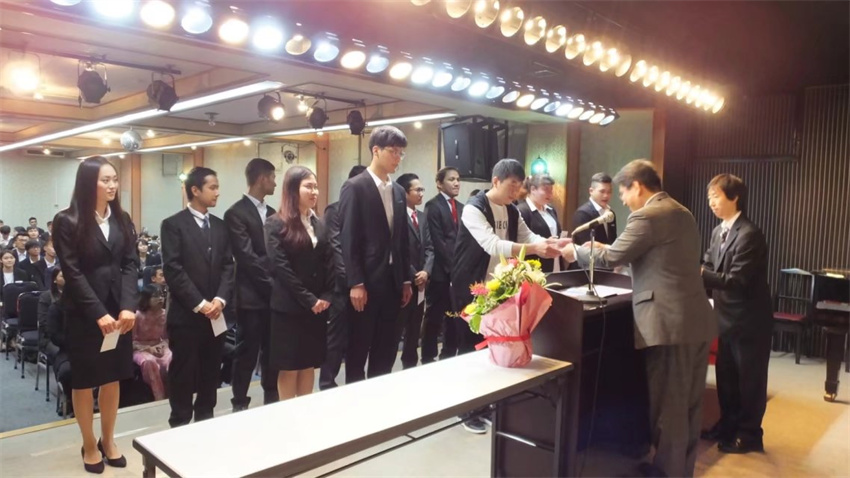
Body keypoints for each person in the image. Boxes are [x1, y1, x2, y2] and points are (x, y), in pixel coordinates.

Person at [564, 159, 716, 478]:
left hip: (668, 325)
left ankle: (667, 472)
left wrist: (574, 252)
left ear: (637, 185)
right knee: (689, 406)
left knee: (670, 409)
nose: (621, 199)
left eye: (623, 191)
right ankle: (681, 470)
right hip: (694, 320)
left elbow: (613, 257)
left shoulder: (647, 215)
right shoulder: (680, 211)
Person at [452, 159, 563, 434]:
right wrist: (535, 249)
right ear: (496, 181)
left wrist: (549, 244)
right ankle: (466, 410)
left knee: (495, 348)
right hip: (472, 286)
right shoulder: (474, 208)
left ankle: (485, 405)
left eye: (519, 186)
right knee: (470, 349)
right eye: (512, 185)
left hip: (500, 287)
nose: (516, 191)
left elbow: (528, 236)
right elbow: (492, 245)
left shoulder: (512, 210)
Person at [53, 156, 139, 473]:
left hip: (119, 313)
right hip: (84, 314)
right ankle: (89, 443)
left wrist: (127, 305)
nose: (112, 185)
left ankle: (108, 439)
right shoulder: (67, 220)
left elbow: (131, 264)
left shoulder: (122, 218)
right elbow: (72, 273)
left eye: (114, 179)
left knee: (112, 377)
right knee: (85, 380)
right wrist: (98, 313)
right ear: (89, 183)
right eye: (105, 180)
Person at [700, 174, 772, 454]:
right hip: (725, 317)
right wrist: (699, 271)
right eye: (710, 197)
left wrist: (700, 273)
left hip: (749, 320)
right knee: (726, 378)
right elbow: (709, 264)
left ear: (735, 197)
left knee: (749, 381)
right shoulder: (718, 231)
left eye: (716, 196)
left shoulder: (749, 233)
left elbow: (737, 280)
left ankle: (750, 433)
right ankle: (728, 425)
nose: (711, 202)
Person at [161, 167, 234, 428]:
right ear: (195, 190)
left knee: (211, 372)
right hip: (187, 315)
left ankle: (205, 421)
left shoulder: (221, 226)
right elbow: (173, 270)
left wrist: (220, 300)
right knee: (183, 373)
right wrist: (201, 304)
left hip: (216, 314)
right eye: (212, 187)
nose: (217, 192)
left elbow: (228, 266)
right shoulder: (173, 225)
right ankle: (179, 424)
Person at [339, 125, 413, 383]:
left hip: (393, 282)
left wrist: (406, 279)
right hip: (366, 283)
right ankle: (354, 398)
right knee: (359, 347)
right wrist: (355, 282)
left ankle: (379, 396)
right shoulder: (355, 187)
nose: (398, 158)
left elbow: (402, 239)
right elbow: (348, 239)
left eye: (401, 153)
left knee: (387, 347)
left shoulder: (399, 191)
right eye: (393, 151)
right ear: (376, 150)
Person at [266, 166, 334, 399]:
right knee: (290, 365)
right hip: (290, 306)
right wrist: (309, 299)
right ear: (293, 189)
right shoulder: (275, 223)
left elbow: (329, 262)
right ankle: (288, 413)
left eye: (316, 187)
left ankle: (306, 410)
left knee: (308, 363)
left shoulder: (320, 223)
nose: (314, 192)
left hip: (317, 307)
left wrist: (326, 296)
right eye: (308, 186)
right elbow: (281, 269)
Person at [225, 158, 279, 410]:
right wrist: (272, 285)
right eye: (273, 178)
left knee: (272, 350)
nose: (275, 183)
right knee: (247, 351)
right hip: (250, 294)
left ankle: (272, 396)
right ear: (262, 179)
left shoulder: (272, 212)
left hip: (274, 294)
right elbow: (246, 257)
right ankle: (239, 402)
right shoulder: (235, 213)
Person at [318, 164, 367, 390]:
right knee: (336, 340)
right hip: (341, 286)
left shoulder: (369, 212)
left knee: (359, 338)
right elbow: (336, 248)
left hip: (365, 285)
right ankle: (327, 384)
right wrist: (353, 282)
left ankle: (355, 384)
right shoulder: (335, 210)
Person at [422, 167, 462, 364]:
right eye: (451, 179)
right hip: (439, 271)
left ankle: (449, 353)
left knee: (454, 316)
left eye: (458, 179)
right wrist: (452, 268)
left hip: (458, 271)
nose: (456, 183)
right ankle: (428, 356)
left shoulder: (462, 207)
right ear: (439, 183)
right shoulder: (432, 205)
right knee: (434, 316)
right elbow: (438, 241)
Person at [396, 173, 434, 369]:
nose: (421, 193)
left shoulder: (422, 216)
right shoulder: (397, 216)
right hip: (403, 281)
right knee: (396, 329)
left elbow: (430, 248)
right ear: (405, 192)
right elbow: (398, 250)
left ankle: (410, 364)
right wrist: (413, 274)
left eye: (422, 190)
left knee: (415, 327)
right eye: (417, 190)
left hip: (421, 282)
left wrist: (426, 272)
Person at [517, 173, 565, 272]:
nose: (550, 194)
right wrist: (544, 242)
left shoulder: (551, 209)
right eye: (546, 190)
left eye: (551, 190)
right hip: (534, 266)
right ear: (533, 189)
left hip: (555, 262)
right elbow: (520, 240)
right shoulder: (522, 210)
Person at [133, 284, 171, 401]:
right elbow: (131, 342)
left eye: (162, 295)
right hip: (140, 349)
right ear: (146, 299)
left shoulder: (164, 314)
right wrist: (148, 349)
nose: (160, 298)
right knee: (149, 362)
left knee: (172, 358)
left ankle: (174, 394)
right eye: (155, 296)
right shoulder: (137, 316)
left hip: (160, 346)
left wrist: (162, 346)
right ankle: (159, 397)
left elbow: (166, 338)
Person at [43, 268, 73, 416]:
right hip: (63, 347)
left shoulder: (87, 308)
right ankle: (69, 399)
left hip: (87, 348)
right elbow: (53, 335)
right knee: (67, 370)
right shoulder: (55, 307)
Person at [572, 172, 618, 246]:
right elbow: (586, 245)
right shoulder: (582, 213)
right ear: (591, 191)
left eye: (609, 192)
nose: (606, 195)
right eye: (602, 191)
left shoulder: (610, 214)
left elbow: (613, 240)